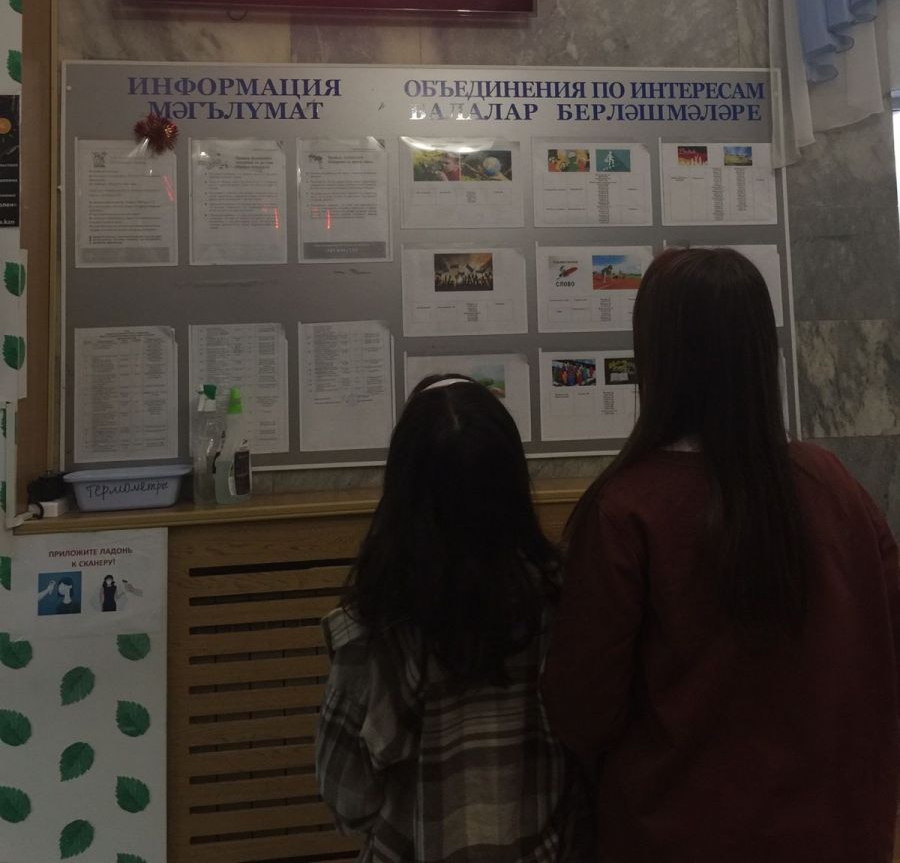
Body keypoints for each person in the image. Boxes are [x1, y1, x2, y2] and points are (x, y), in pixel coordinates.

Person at [542, 247, 899, 863]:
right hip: (840, 832)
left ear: (657, 358)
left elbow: (582, 709)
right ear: (761, 351)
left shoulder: (628, 509)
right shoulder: (831, 481)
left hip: (677, 834)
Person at [316, 374, 590, 862]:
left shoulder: (374, 632)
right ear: (513, 485)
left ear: (402, 492)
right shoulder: (563, 599)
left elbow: (348, 797)